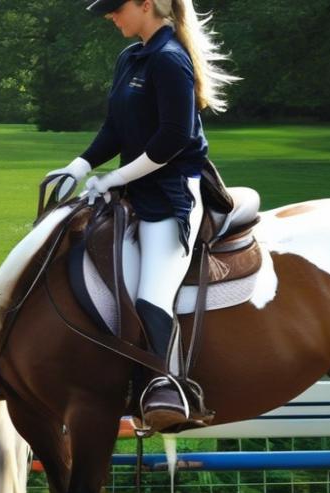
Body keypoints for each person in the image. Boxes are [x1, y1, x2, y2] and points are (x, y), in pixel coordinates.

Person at [46, 0, 237, 431]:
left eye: (116, 9)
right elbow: (116, 128)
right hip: (135, 189)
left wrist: (117, 177)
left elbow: (174, 137)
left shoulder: (170, 59)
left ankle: (170, 388)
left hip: (172, 195)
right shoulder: (131, 57)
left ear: (146, 4)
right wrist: (80, 166)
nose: (110, 16)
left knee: (151, 294)